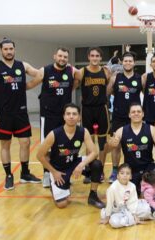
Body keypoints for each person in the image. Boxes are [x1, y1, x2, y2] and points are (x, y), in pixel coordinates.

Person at [0, 37, 41, 190]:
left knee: (25, 142)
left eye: (11, 49)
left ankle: (25, 173)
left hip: (21, 112)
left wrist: (29, 85)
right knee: (5, 145)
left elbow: (41, 74)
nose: (9, 51)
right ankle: (9, 175)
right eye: (6, 49)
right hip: (3, 114)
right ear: (1, 50)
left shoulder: (23, 65)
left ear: (14, 49)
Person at [36, 103, 105, 208]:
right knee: (62, 204)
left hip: (75, 162)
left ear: (79, 117)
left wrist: (81, 165)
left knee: (97, 164)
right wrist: (53, 172)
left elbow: (94, 152)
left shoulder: (83, 131)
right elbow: (39, 155)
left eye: (74, 114)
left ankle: (93, 196)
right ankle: (56, 186)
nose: (71, 116)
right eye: (68, 114)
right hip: (59, 169)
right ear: (64, 116)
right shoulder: (54, 134)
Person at [26, 47, 76, 188]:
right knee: (47, 146)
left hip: (65, 116)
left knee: (65, 146)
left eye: (65, 57)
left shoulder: (71, 71)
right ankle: (47, 173)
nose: (62, 59)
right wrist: (13, 88)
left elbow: (78, 79)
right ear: (55, 56)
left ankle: (64, 172)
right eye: (60, 56)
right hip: (48, 115)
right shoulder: (45, 71)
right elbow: (31, 84)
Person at [108, 103, 155, 194]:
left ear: (143, 114)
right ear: (129, 115)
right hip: (130, 169)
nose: (136, 114)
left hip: (148, 167)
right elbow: (110, 148)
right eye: (133, 112)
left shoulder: (151, 129)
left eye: (139, 111)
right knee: (128, 194)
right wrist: (111, 144)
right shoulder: (121, 130)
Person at [74, 47, 111, 182]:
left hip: (102, 108)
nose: (95, 58)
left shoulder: (106, 72)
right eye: (92, 55)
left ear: (100, 58)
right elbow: (73, 86)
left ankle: (99, 170)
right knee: (89, 141)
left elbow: (108, 90)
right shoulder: (81, 72)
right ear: (88, 57)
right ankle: (90, 169)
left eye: (97, 56)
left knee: (102, 142)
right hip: (87, 109)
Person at [106, 51, 142, 183]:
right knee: (116, 145)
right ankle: (115, 170)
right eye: (125, 61)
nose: (128, 63)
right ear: (122, 62)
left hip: (134, 118)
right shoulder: (116, 77)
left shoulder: (140, 78)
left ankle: (133, 169)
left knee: (134, 145)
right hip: (118, 117)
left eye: (130, 61)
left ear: (134, 63)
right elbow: (107, 93)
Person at [100, 163, 155, 227]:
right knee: (114, 222)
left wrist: (134, 215)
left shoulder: (132, 186)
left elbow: (132, 202)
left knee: (146, 209)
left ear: (131, 176)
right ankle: (129, 220)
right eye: (122, 173)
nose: (125, 175)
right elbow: (109, 203)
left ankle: (130, 218)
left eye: (127, 173)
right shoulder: (112, 188)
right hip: (117, 210)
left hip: (129, 208)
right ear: (117, 176)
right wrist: (107, 217)